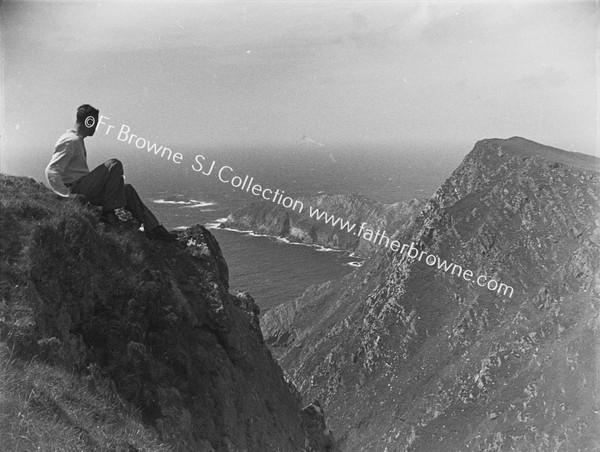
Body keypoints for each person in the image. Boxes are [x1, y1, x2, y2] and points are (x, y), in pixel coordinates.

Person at [45, 104, 178, 240]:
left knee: (127, 190)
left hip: (83, 188)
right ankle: (108, 214)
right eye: (95, 122)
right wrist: (68, 196)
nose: (96, 127)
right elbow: (52, 170)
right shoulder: (70, 141)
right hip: (76, 190)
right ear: (89, 121)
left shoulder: (76, 139)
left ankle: (153, 228)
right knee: (114, 164)